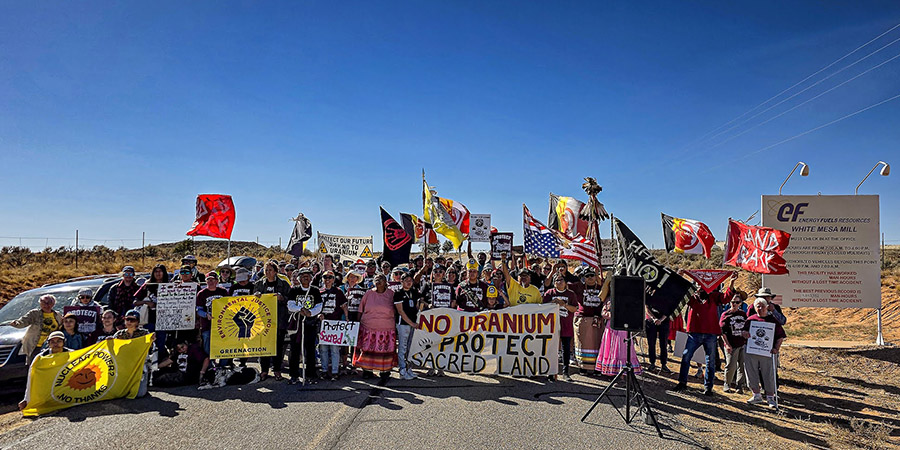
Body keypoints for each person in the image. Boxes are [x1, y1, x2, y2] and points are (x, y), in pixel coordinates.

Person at [672, 274, 735, 395]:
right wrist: (679, 277)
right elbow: (679, 293)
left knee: (710, 362)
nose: (700, 288)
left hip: (710, 334)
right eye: (698, 286)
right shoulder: (692, 297)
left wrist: (731, 282)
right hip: (694, 333)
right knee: (686, 357)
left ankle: (708, 388)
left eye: (702, 286)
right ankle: (682, 383)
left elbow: (726, 298)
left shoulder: (714, 297)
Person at [742, 294, 786, 408]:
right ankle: (756, 395)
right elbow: (743, 332)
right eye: (757, 306)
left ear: (767, 307)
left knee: (769, 374)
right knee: (751, 372)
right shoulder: (750, 320)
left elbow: (780, 336)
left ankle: (770, 398)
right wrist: (744, 334)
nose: (759, 308)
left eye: (762, 306)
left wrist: (776, 348)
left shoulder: (773, 321)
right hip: (752, 351)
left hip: (768, 352)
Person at [353, 274, 398, 380]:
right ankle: (367, 371)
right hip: (368, 328)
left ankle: (385, 371)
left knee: (385, 351)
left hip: (386, 328)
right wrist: (357, 324)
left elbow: (398, 310)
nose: (378, 281)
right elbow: (360, 309)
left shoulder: (391, 294)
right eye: (376, 279)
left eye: (381, 279)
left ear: (386, 282)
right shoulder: (368, 293)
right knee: (367, 350)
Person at [254, 260, 292, 381]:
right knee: (264, 347)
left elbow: (290, 300)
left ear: (275, 271)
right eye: (266, 270)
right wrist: (256, 296)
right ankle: (264, 370)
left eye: (270, 270)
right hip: (263, 321)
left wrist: (282, 298)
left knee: (278, 347)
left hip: (279, 320)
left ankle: (277, 370)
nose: (268, 272)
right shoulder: (259, 284)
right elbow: (252, 300)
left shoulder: (284, 284)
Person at [1, 294, 63, 364]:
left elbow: (61, 327)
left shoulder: (57, 315)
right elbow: (24, 321)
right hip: (35, 346)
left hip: (51, 347)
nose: (46, 305)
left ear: (53, 304)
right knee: (33, 366)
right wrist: (16, 323)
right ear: (40, 304)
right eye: (44, 303)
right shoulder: (34, 313)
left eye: (49, 302)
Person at [287, 268, 322, 384]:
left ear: (311, 278)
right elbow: (290, 304)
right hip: (297, 324)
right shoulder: (294, 290)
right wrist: (300, 310)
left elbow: (319, 305)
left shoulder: (315, 291)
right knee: (294, 350)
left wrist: (310, 312)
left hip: (310, 324)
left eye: (308, 276)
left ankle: (311, 375)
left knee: (310, 350)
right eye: (303, 276)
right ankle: (294, 375)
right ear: (299, 278)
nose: (305, 278)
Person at [18, 331, 69, 411]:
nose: (56, 344)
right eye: (52, 342)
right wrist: (26, 399)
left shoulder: (72, 354)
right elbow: (31, 378)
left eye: (59, 341)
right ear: (48, 343)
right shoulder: (40, 358)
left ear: (63, 342)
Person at [543, 276, 578, 381]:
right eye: (556, 280)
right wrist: (552, 303)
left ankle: (566, 372)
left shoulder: (571, 294)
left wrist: (565, 305)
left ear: (565, 282)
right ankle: (551, 372)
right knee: (551, 349)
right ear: (554, 283)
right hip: (552, 326)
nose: (559, 282)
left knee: (566, 349)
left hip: (566, 325)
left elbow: (575, 309)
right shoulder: (550, 293)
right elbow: (542, 307)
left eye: (561, 280)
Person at [596, 298, 642, 377]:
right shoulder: (610, 299)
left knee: (623, 349)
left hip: (623, 327)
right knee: (611, 348)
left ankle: (623, 374)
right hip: (612, 327)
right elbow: (603, 313)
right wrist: (614, 314)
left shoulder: (628, 299)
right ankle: (612, 372)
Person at [318, 270, 348, 380]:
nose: (327, 279)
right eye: (325, 277)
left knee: (335, 349)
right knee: (323, 348)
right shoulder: (319, 292)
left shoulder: (339, 292)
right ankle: (325, 370)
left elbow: (344, 306)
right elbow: (315, 307)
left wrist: (347, 318)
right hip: (322, 324)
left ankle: (335, 371)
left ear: (333, 279)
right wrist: (318, 315)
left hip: (335, 324)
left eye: (330, 277)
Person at [133, 264, 168, 357]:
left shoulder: (169, 285)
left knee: (161, 342)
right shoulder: (147, 285)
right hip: (150, 319)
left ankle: (160, 363)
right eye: (156, 271)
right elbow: (135, 301)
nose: (158, 273)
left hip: (165, 321)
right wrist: (147, 302)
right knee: (149, 342)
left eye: (160, 271)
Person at [394, 272, 422, 380]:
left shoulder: (414, 292)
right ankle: (402, 369)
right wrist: (412, 323)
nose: (409, 282)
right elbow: (400, 311)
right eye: (406, 280)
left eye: (410, 280)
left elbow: (418, 305)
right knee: (402, 347)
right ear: (401, 282)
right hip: (403, 324)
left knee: (411, 347)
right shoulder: (398, 293)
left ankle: (409, 368)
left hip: (413, 324)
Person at [720, 294, 748, 393]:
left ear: (740, 303)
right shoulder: (725, 315)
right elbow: (723, 332)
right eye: (732, 302)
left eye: (736, 302)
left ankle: (739, 385)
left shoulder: (743, 314)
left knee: (742, 365)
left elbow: (747, 327)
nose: (734, 304)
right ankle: (727, 383)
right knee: (731, 365)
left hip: (742, 343)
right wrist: (727, 344)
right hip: (731, 344)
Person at [196, 271, 228, 356]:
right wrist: (206, 315)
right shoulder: (201, 294)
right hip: (207, 324)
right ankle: (209, 364)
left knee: (223, 345)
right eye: (209, 280)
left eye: (213, 280)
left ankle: (223, 365)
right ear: (206, 281)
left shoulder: (223, 292)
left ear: (217, 281)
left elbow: (229, 306)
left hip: (222, 324)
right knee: (207, 343)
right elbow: (199, 309)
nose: (211, 282)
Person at [645, 306, 671, 373]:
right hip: (651, 321)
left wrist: (661, 320)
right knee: (651, 343)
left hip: (664, 321)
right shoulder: (650, 295)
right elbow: (646, 307)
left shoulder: (667, 296)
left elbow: (670, 308)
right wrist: (654, 318)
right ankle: (652, 363)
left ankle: (664, 364)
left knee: (663, 344)